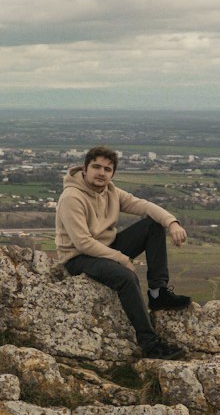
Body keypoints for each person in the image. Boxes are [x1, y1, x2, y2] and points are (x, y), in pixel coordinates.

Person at [55, 145, 191, 359]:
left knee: (153, 225)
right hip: (78, 258)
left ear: (112, 173)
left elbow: (145, 206)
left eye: (107, 169)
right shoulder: (72, 197)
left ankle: (158, 293)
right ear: (85, 168)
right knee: (126, 277)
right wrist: (121, 258)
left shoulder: (111, 192)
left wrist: (172, 222)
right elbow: (83, 243)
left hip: (105, 248)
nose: (102, 173)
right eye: (96, 167)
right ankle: (150, 343)